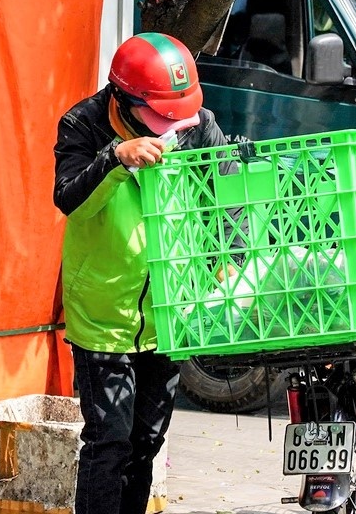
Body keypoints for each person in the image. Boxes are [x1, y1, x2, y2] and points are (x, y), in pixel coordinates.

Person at [53, 32, 236, 514]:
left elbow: (226, 197)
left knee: (146, 441)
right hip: (103, 314)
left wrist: (227, 260)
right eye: (161, 114)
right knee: (108, 443)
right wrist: (114, 159)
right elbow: (69, 199)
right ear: (124, 99)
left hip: (169, 312)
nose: (173, 125)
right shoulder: (84, 124)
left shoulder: (200, 126)